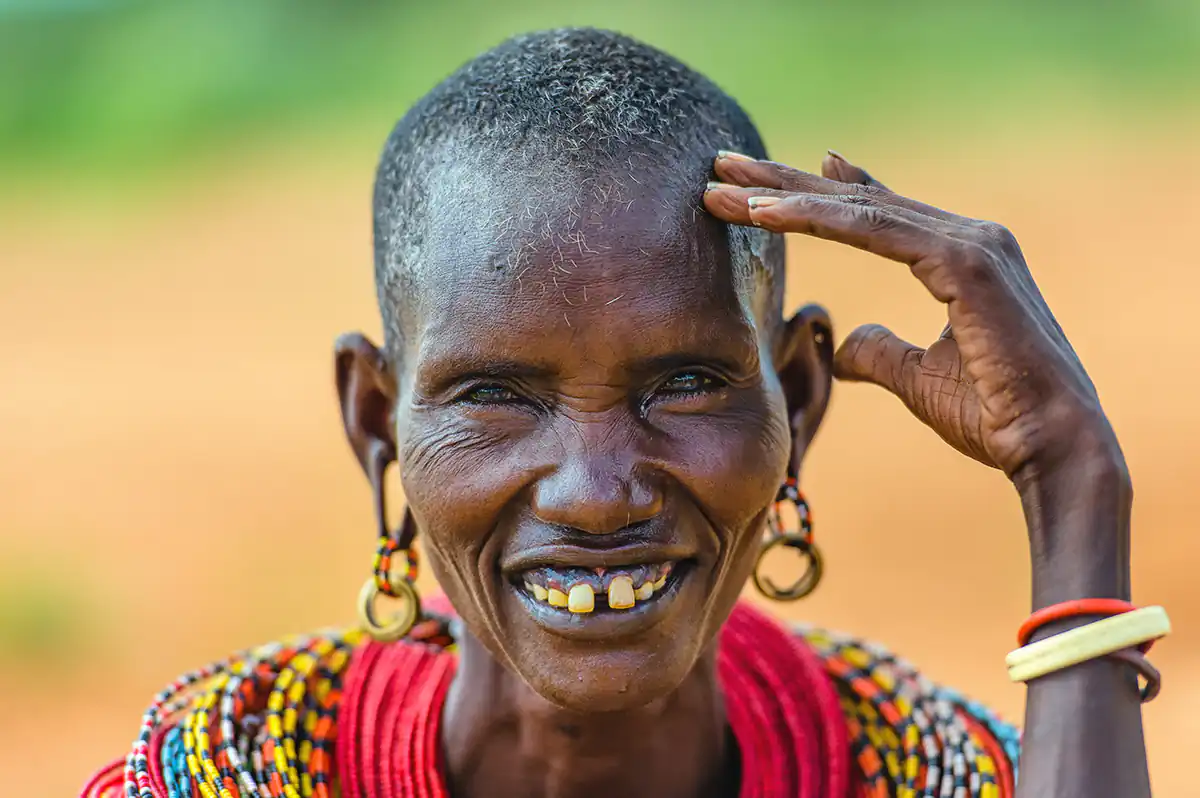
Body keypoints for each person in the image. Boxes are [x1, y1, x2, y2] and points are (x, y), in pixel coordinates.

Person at [81, 28, 1170, 798]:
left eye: (684, 384)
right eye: (496, 395)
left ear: (795, 397)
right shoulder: (223, 777)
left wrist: (1073, 486)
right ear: (378, 423)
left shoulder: (931, 776)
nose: (597, 494)